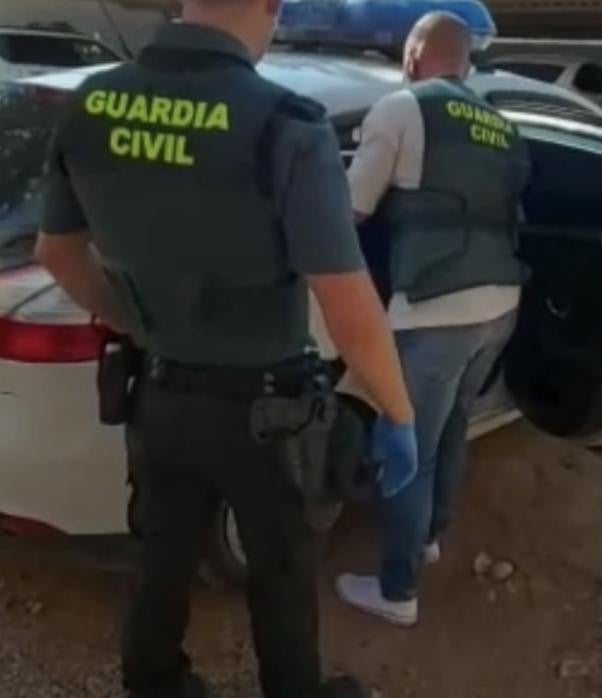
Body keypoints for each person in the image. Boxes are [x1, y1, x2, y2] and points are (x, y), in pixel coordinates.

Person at [33, 0, 420, 695]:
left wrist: (141, 324)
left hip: (159, 395)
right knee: (280, 574)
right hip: (266, 414)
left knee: (163, 557)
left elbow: (57, 253)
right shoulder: (284, 121)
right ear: (270, 5)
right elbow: (346, 298)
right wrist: (398, 412)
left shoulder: (91, 104)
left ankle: (154, 681)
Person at [335, 11, 532, 627]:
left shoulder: (401, 108)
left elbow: (348, 212)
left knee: (405, 448)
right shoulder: (504, 128)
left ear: (415, 53)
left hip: (437, 308)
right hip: (501, 303)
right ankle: (429, 536)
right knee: (450, 429)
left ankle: (398, 592)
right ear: (466, 63)